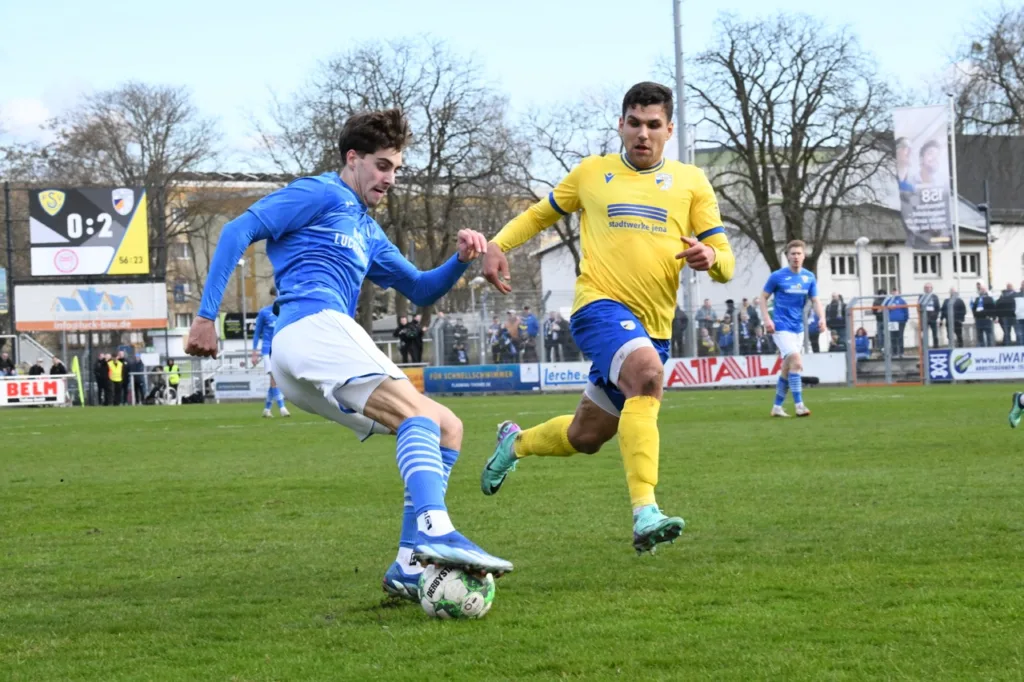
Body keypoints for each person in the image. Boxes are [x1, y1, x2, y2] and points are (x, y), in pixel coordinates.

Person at [183, 107, 512, 601]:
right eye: (382, 166)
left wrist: (460, 261)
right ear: (353, 158)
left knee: (446, 426)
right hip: (311, 327)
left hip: (310, 351)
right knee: (418, 415)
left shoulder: (366, 229)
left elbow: (420, 289)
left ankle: (406, 565)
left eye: (397, 169)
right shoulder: (320, 192)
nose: (390, 178)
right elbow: (236, 232)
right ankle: (435, 530)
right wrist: (206, 316)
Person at [479, 82, 735, 554]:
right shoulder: (593, 174)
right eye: (634, 123)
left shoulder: (692, 182)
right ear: (620, 125)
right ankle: (646, 513)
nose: (643, 134)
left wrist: (710, 257)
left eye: (653, 125)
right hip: (599, 307)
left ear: (669, 130)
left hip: (652, 327)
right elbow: (539, 214)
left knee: (587, 435)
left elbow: (725, 260)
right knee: (648, 376)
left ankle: (513, 444)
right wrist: (498, 245)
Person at [758, 240, 825, 418]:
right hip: (780, 327)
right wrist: (767, 320)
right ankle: (799, 405)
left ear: (804, 256)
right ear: (787, 256)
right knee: (797, 362)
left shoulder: (809, 277)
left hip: (798, 329)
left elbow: (816, 300)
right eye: (792, 254)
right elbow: (763, 298)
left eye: (799, 253)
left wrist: (822, 318)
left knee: (787, 369)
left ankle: (777, 407)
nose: (796, 257)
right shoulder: (777, 276)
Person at [252, 289, 290, 418]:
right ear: (272, 297)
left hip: (279, 349)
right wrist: (254, 352)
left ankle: (267, 409)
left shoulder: (284, 312)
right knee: (274, 377)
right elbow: (257, 333)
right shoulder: (264, 312)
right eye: (275, 296)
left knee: (274, 380)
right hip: (267, 350)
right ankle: (282, 407)